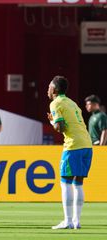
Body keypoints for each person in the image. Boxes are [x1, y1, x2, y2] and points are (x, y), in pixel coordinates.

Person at [47, 76, 93, 230]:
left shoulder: (55, 103)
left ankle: (67, 221)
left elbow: (60, 127)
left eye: (49, 87)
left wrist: (53, 121)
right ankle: (76, 221)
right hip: (87, 144)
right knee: (78, 183)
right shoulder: (72, 103)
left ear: (54, 89)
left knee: (65, 182)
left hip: (73, 145)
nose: (48, 90)